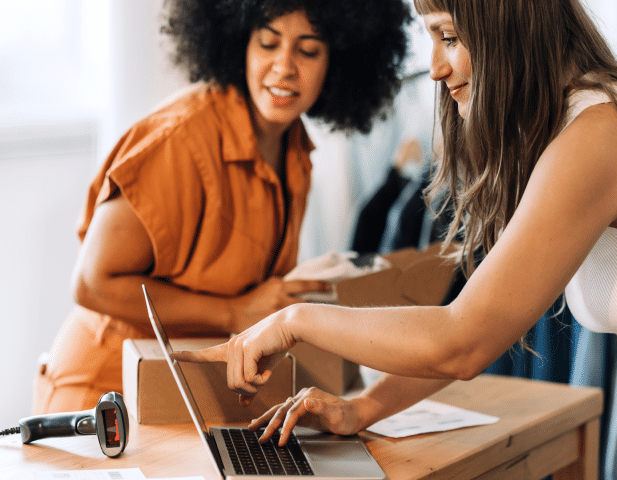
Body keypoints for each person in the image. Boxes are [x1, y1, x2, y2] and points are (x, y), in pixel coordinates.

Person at [174, 0, 617, 474]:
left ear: (508, 24)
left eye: (450, 38)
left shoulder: (597, 136)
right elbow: (487, 317)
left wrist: (293, 321)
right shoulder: (581, 121)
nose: (435, 69)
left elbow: (464, 340)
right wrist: (361, 409)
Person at [33, 0, 412, 414]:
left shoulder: (294, 148)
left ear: (337, 61)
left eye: (307, 50)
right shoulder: (179, 139)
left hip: (182, 394)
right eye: (268, 43)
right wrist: (235, 312)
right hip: (102, 395)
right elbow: (92, 282)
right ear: (239, 43)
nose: (284, 66)